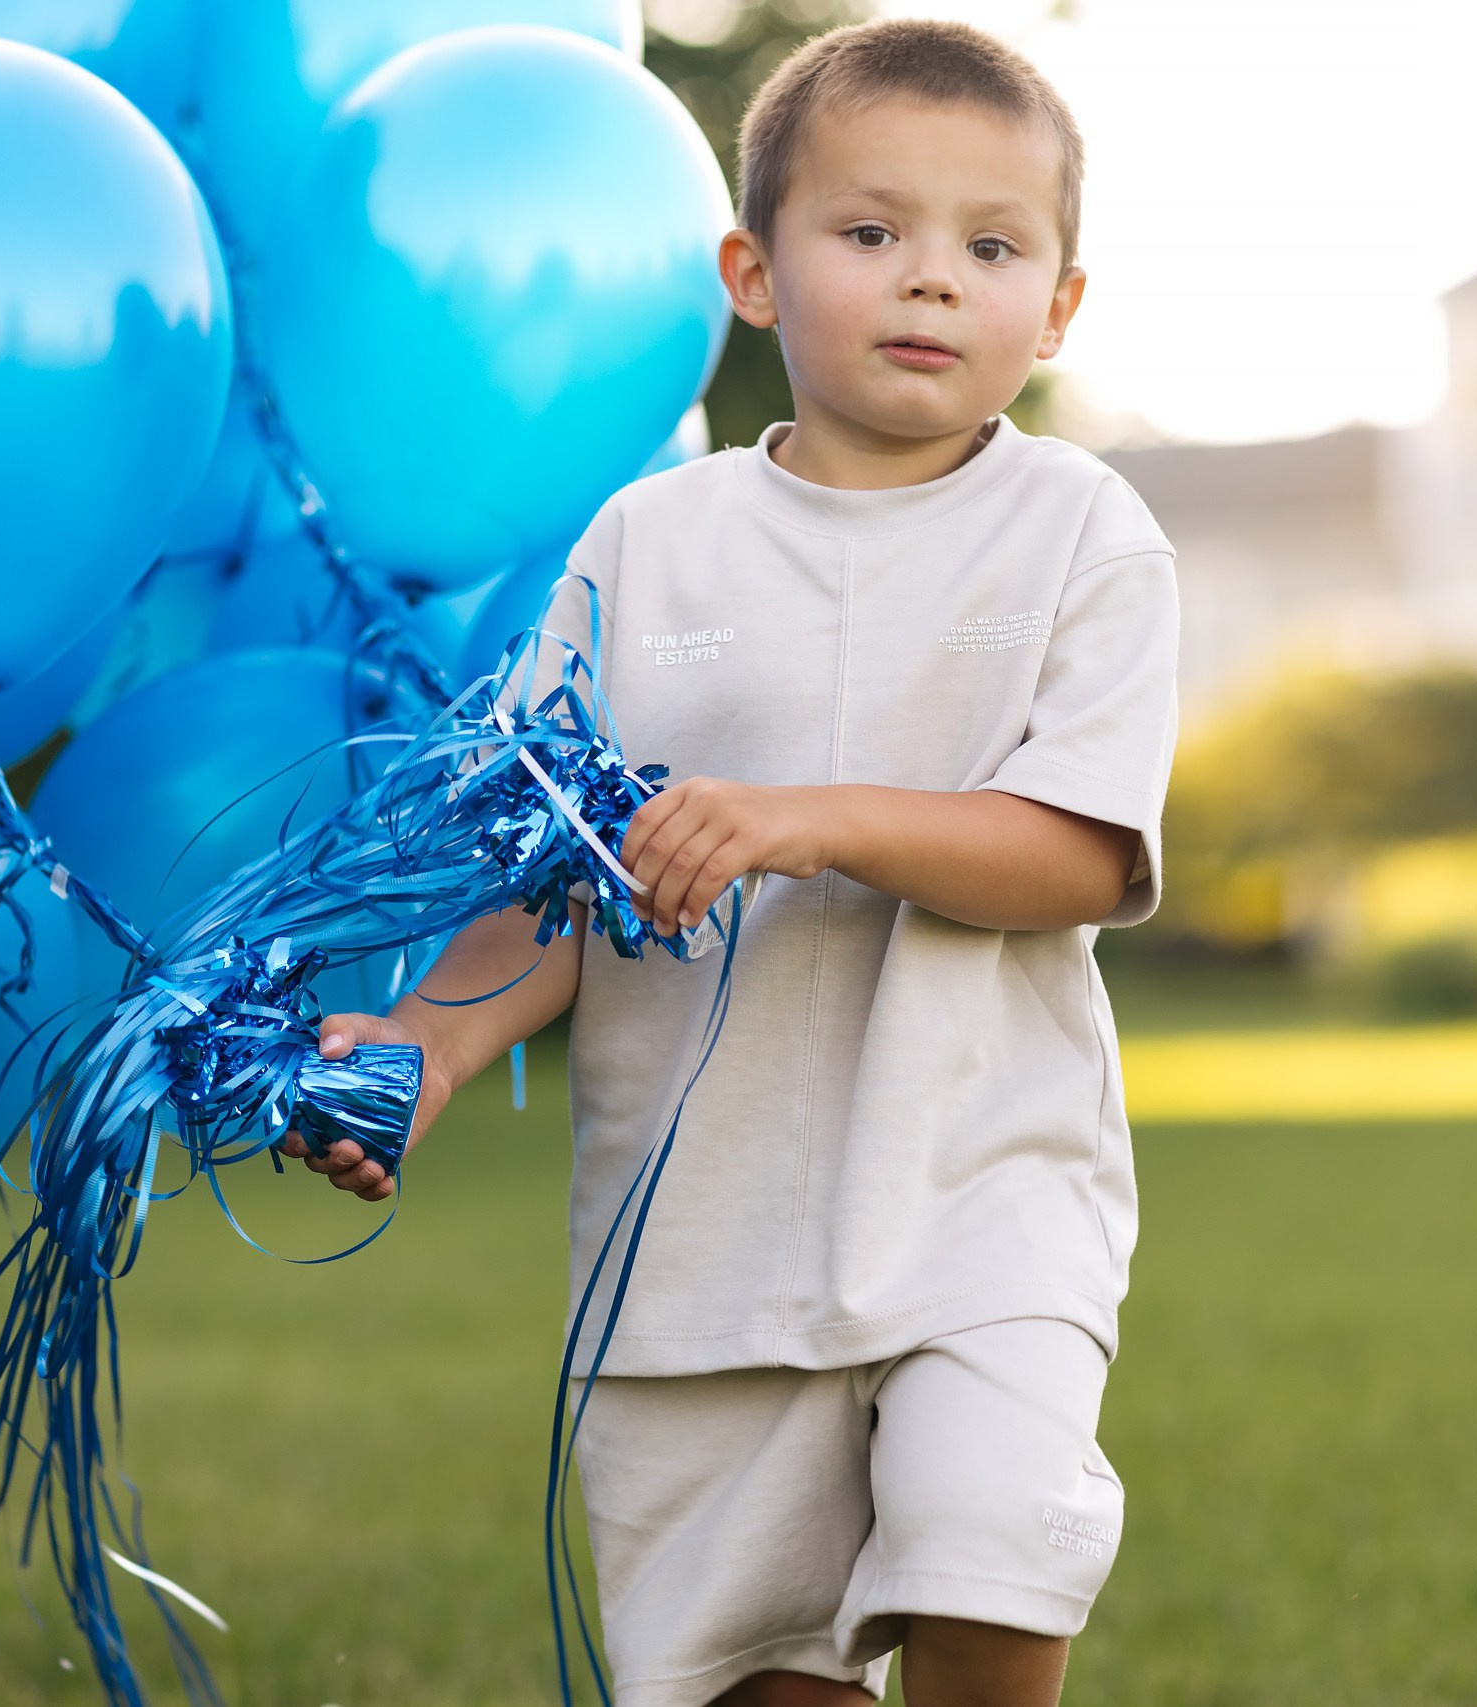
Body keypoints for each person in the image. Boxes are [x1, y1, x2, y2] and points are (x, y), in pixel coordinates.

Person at [293, 18, 1176, 1707]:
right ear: (752, 274)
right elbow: (547, 876)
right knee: (753, 1667)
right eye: (871, 234)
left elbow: (1072, 851)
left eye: (990, 249)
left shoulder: (1081, 530)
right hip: (702, 1235)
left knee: (992, 1530)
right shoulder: (647, 543)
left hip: (984, 1192)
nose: (931, 282)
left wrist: (804, 814)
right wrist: (437, 1040)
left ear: (1059, 306)